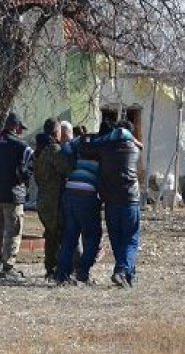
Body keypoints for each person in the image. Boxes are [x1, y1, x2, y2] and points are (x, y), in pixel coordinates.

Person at [0, 111, 34, 279]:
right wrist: (24, 177)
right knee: (13, 232)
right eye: (21, 129)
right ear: (17, 127)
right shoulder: (21, 146)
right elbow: (32, 166)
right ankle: (8, 266)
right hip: (13, 195)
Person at [55, 124, 105, 285]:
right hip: (87, 194)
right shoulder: (103, 148)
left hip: (69, 191)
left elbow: (66, 148)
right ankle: (83, 272)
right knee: (92, 235)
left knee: (70, 235)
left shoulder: (80, 147)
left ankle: (62, 274)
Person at [98, 120, 143, 288]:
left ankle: (129, 275)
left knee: (117, 239)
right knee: (131, 239)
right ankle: (122, 271)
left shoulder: (105, 149)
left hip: (111, 202)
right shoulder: (134, 150)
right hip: (130, 201)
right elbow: (140, 145)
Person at [34, 121, 75, 280]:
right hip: (54, 200)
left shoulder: (39, 149)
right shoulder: (53, 149)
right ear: (56, 132)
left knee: (50, 236)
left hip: (43, 199)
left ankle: (50, 268)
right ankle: (61, 270)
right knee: (60, 235)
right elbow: (66, 169)